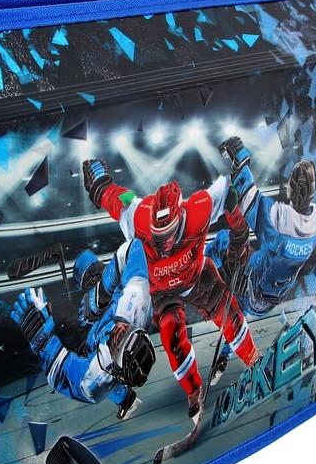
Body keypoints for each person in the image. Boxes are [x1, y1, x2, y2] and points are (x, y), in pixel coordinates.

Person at [83, 159, 261, 421]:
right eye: (158, 235)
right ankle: (193, 390)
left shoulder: (200, 208)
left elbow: (230, 188)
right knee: (171, 336)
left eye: (168, 235)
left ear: (181, 217)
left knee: (227, 311)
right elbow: (117, 199)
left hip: (196, 278)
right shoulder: (139, 215)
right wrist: (101, 185)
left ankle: (252, 357)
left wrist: (239, 234)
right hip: (161, 292)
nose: (163, 244)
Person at [11, 239, 154, 421]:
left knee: (88, 364)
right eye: (128, 332)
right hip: (111, 304)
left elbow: (60, 374)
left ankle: (125, 399)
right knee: (85, 264)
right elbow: (133, 248)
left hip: (94, 349)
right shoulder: (138, 305)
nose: (120, 331)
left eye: (119, 342)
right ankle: (126, 399)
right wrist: (103, 291)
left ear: (113, 365)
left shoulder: (94, 380)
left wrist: (42, 338)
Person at [208, 137, 316, 363]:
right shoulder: (315, 219)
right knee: (243, 307)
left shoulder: (281, 219)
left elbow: (249, 200)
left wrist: (240, 158)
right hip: (274, 293)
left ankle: (201, 275)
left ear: (292, 187)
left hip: (254, 286)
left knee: (223, 240)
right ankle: (227, 353)